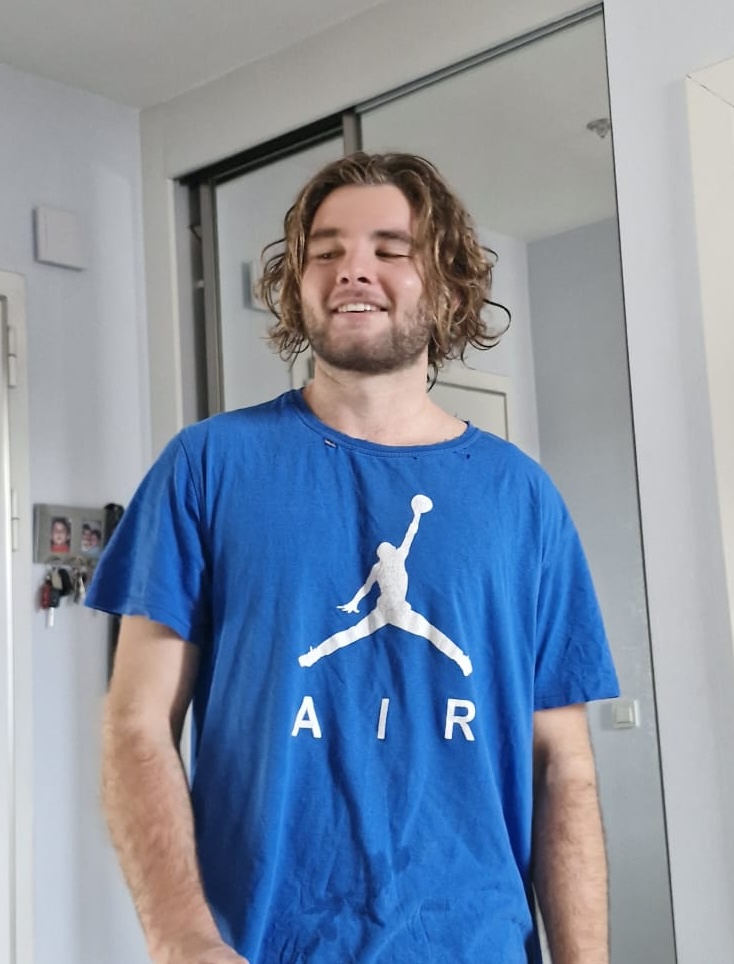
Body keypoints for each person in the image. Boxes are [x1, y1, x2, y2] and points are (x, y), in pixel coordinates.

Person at [87, 152, 619, 964]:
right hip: (261, 946)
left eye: (389, 249)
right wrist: (182, 939)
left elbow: (564, 769)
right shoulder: (206, 467)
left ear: (446, 284)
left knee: (428, 640)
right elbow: (136, 725)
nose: (351, 270)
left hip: (475, 944)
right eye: (326, 250)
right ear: (297, 282)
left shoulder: (522, 498)